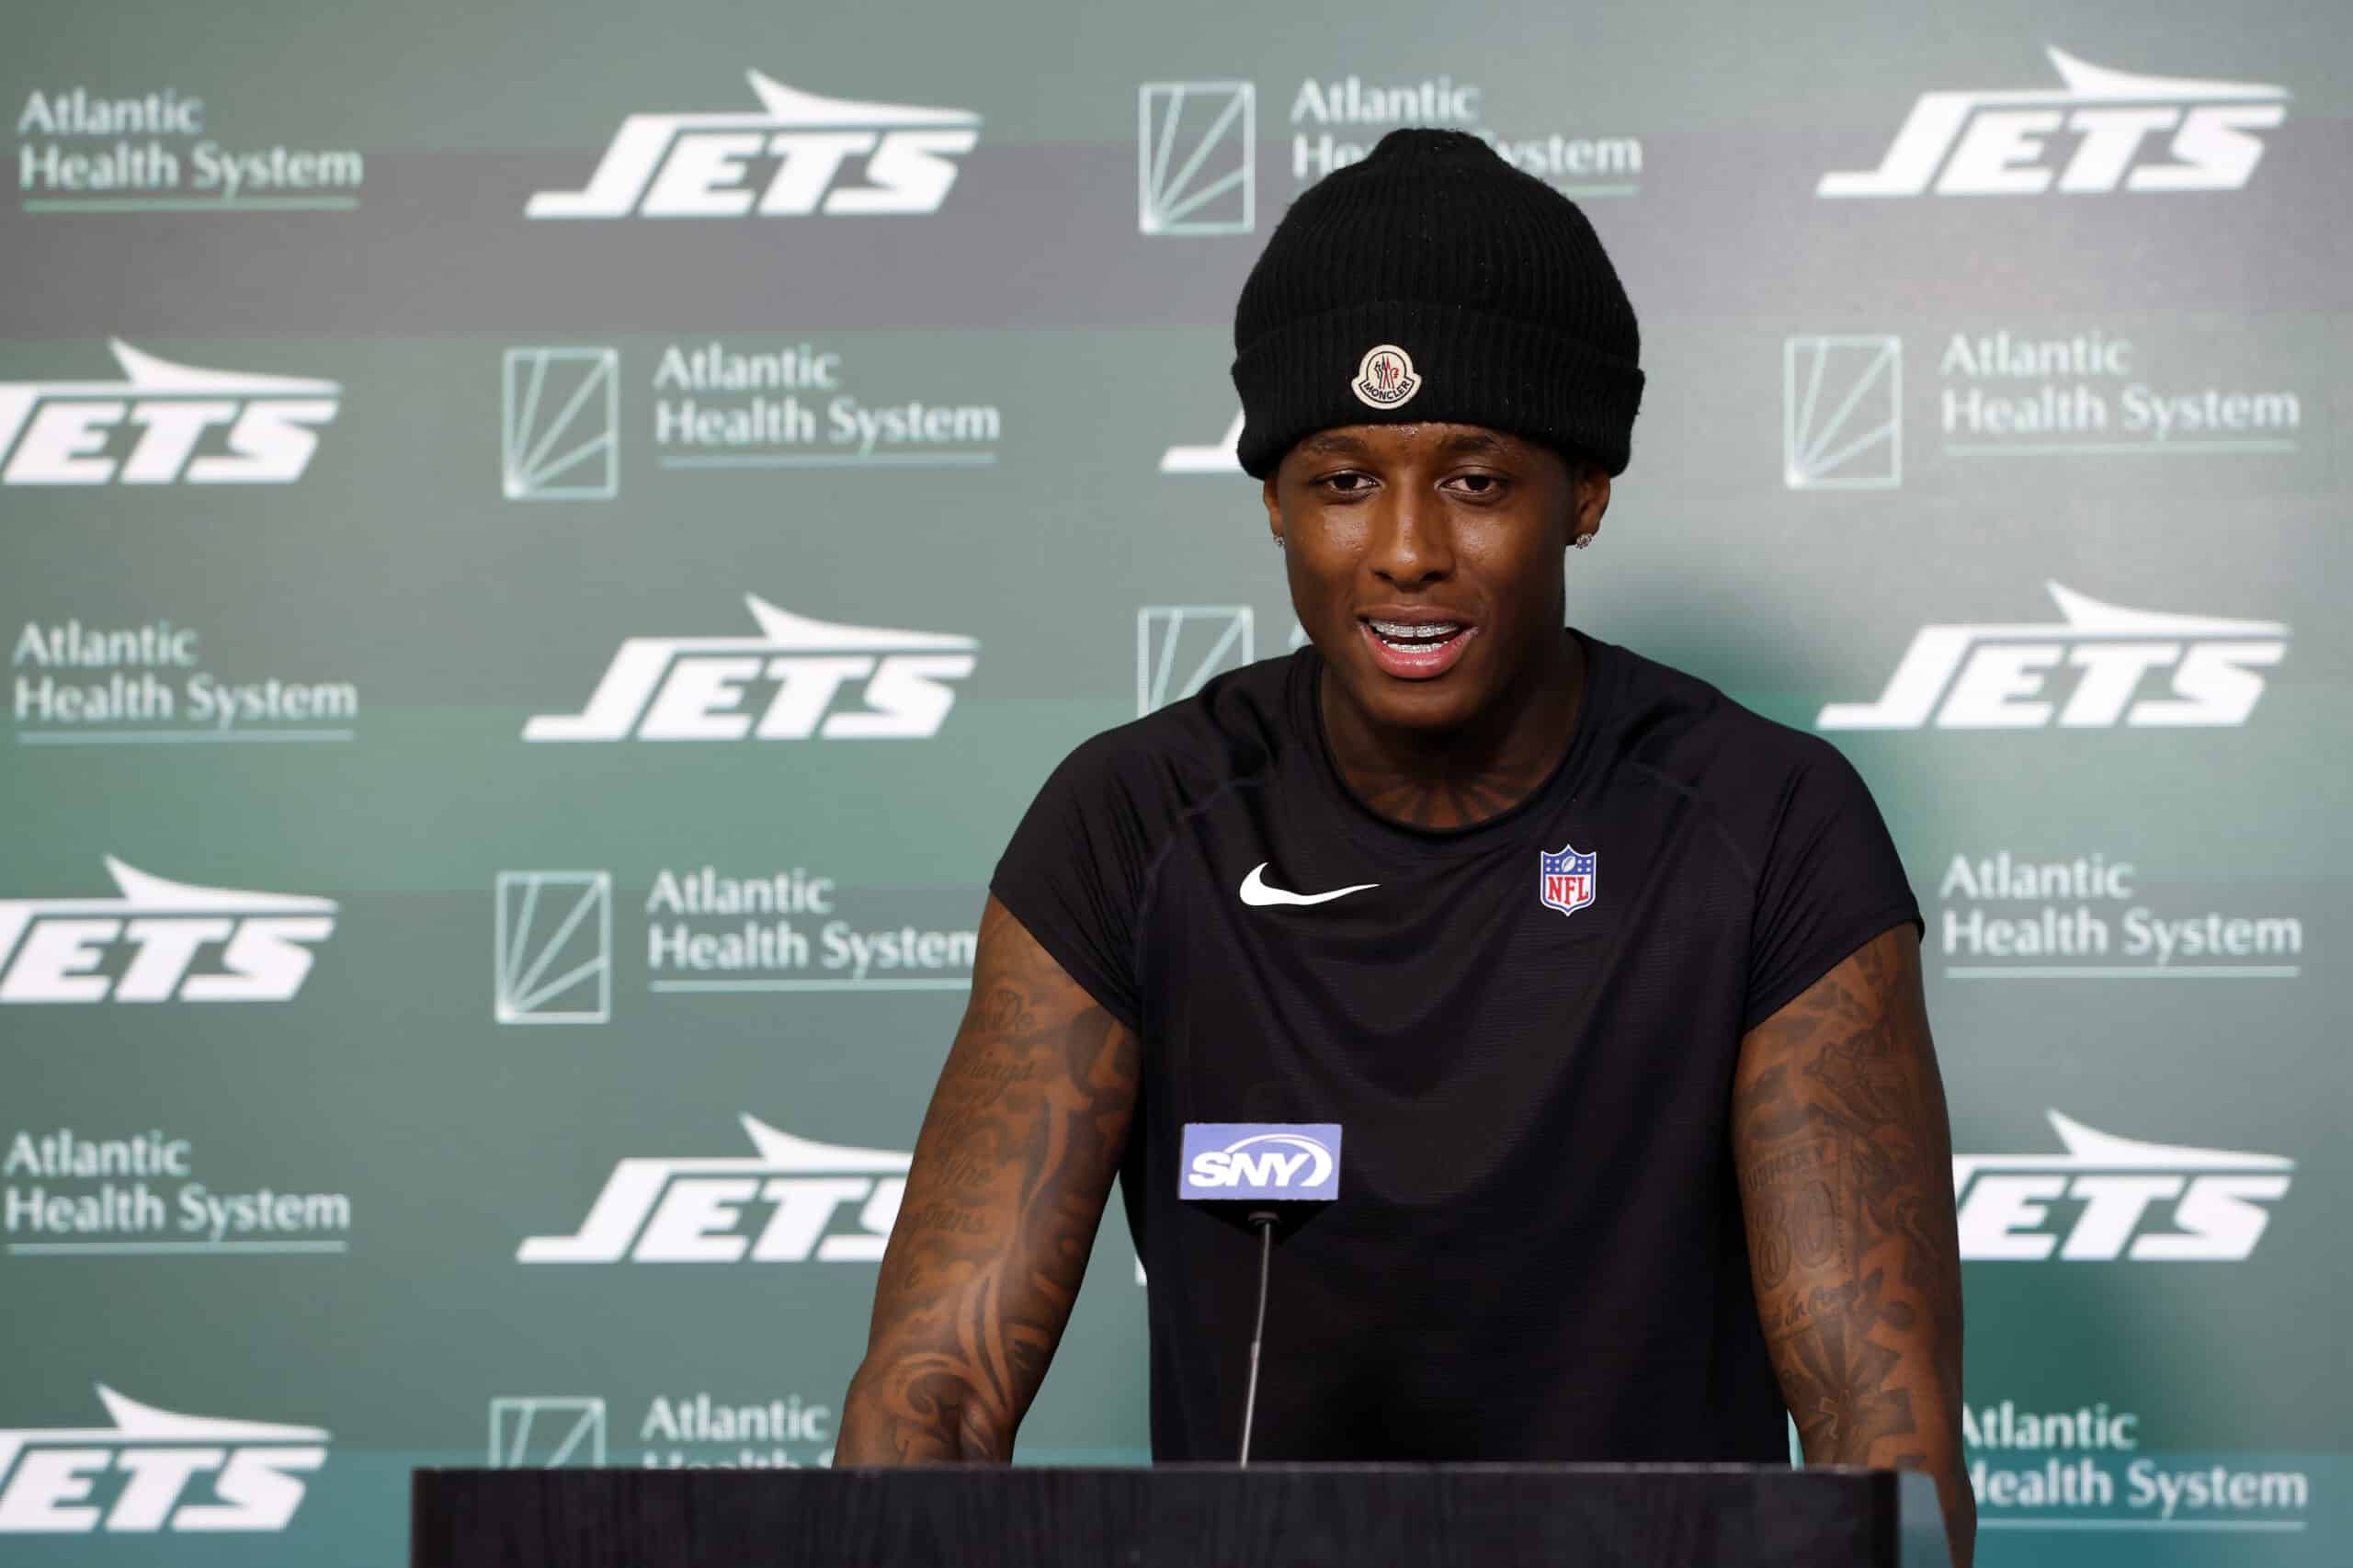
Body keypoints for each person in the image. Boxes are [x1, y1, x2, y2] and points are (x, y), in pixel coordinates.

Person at [837, 128, 1972, 1565]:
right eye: (1343, 480)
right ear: (1274, 499)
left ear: (1586, 491)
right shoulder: (1131, 824)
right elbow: (935, 1396)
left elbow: (1881, 1434)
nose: (1407, 549)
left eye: (1477, 481)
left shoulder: (1769, 825)